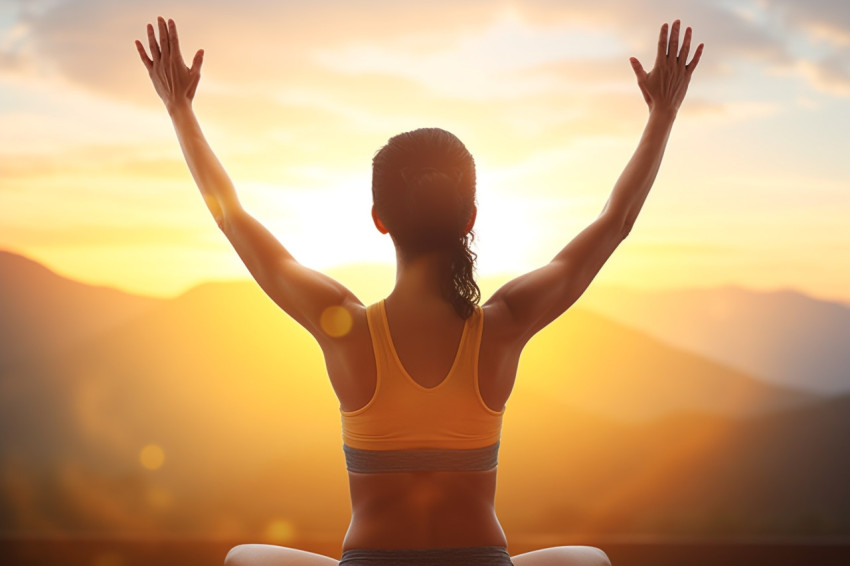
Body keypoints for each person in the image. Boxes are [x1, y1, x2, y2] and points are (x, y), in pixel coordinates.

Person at [136, 16, 702, 566]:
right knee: (591, 559)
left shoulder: (346, 327)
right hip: (482, 562)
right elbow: (615, 221)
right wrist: (663, 115)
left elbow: (233, 221)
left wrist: (179, 109)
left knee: (242, 556)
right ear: (469, 218)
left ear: (380, 219)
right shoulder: (502, 325)